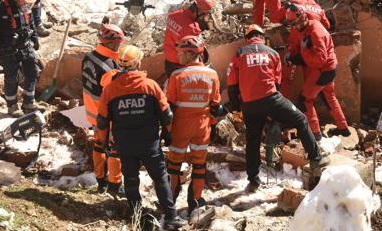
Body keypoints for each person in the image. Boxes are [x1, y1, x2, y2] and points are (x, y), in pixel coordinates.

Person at [227, 24, 329, 191]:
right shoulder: (272, 53)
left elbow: (232, 83)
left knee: (253, 140)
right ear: (262, 37)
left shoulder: (239, 53)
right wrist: (275, 111)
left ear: (247, 38)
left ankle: (253, 180)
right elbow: (277, 83)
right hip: (271, 99)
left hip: (249, 105)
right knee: (301, 119)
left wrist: (236, 105)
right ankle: (315, 157)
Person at [97, 45, 185, 229]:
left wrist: (104, 143)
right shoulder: (150, 86)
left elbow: (102, 122)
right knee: (160, 178)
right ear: (138, 62)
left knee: (130, 179)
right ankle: (171, 217)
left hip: (125, 145)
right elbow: (167, 115)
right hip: (149, 144)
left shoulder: (110, 90)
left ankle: (136, 216)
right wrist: (167, 133)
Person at [166, 36, 223, 214]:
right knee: (199, 165)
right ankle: (195, 201)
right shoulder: (212, 75)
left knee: (174, 164)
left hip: (180, 126)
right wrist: (211, 125)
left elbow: (169, 108)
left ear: (191, 54)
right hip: (202, 126)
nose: (178, 56)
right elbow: (216, 106)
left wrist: (167, 131)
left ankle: (171, 198)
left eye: (180, 53)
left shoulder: (176, 75)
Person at [285, 5, 350, 141]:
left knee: (305, 100)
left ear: (302, 18)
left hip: (323, 70)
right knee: (329, 97)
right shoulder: (305, 27)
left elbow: (319, 60)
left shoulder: (316, 32)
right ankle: (343, 129)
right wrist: (291, 52)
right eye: (292, 25)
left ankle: (315, 134)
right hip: (328, 68)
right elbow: (297, 40)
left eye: (295, 24)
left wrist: (302, 53)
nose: (294, 27)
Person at [0, 0, 43, 116]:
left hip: (25, 46)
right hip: (8, 50)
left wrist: (35, 37)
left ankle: (29, 101)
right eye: (25, 1)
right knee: (12, 78)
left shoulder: (24, 7)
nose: (27, 5)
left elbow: (31, 23)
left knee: (32, 72)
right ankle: (12, 105)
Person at [81, 24, 124, 195]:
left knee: (98, 146)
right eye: (119, 43)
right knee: (115, 149)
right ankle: (114, 183)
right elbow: (115, 94)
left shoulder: (89, 57)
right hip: (107, 115)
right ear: (112, 44)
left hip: (91, 112)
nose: (120, 46)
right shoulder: (110, 69)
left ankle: (100, 181)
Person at [281, 0, 330, 99]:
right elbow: (327, 26)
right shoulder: (318, 9)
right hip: (309, 47)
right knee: (309, 79)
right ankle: (307, 103)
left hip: (294, 45)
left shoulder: (295, 2)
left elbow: (280, 16)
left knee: (287, 78)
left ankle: (283, 104)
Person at [163, 0, 216, 77]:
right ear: (199, 11)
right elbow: (198, 50)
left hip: (168, 61)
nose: (204, 17)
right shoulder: (192, 28)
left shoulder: (173, 15)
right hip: (181, 65)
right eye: (204, 14)